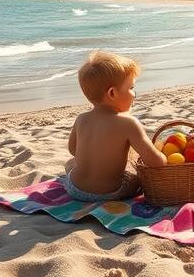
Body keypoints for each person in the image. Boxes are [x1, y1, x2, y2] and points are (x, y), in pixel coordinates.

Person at [63, 51, 165, 202]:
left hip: (75, 189)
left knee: (70, 163)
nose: (134, 94)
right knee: (137, 179)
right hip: (110, 192)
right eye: (131, 88)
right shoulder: (129, 123)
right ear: (112, 93)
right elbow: (156, 162)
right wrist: (162, 153)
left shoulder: (81, 119)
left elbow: (73, 150)